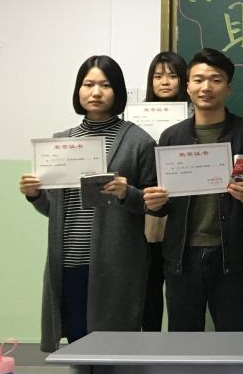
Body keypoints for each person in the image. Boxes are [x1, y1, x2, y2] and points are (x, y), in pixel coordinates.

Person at [19, 55, 156, 351]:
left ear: (117, 91)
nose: (95, 92)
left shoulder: (138, 141)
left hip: (115, 263)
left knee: (114, 346)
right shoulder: (60, 142)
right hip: (69, 260)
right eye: (88, 84)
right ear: (78, 90)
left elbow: (153, 204)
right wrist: (35, 195)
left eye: (105, 85)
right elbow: (54, 210)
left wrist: (127, 193)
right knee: (77, 343)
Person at [143, 48, 243, 332]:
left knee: (232, 340)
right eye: (199, 79)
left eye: (216, 79)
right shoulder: (172, 136)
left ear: (228, 87)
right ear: (188, 85)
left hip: (232, 257)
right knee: (184, 340)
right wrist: (154, 202)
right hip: (181, 257)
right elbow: (162, 199)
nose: (206, 87)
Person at [140, 51, 189, 333]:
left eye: (172, 75)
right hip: (147, 211)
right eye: (157, 76)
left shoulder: (196, 117)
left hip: (183, 211)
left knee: (178, 287)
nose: (164, 82)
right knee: (149, 283)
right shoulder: (137, 118)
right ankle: (150, 342)